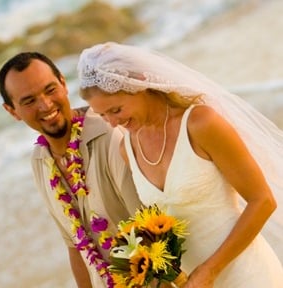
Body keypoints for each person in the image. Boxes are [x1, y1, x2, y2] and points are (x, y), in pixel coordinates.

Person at [77, 42, 283, 288]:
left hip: (246, 274)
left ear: (140, 85)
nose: (112, 122)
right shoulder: (127, 149)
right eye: (103, 115)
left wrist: (210, 270)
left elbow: (263, 201)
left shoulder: (200, 123)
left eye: (116, 109)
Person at [0, 52, 142, 288]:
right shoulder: (40, 162)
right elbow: (76, 247)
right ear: (12, 111)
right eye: (29, 101)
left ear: (64, 83)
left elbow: (150, 228)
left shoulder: (110, 135)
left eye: (50, 89)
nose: (45, 104)